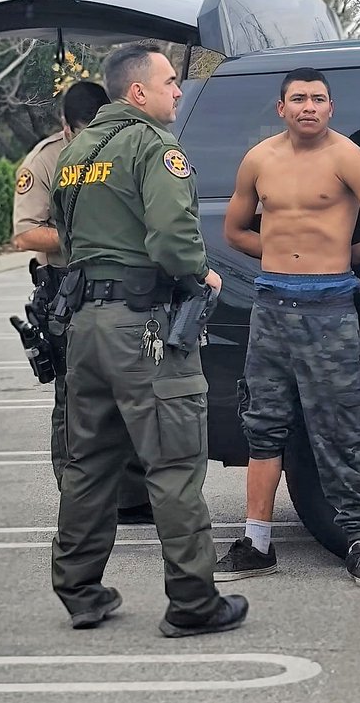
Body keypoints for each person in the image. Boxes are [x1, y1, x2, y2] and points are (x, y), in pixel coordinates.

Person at [48, 43, 248, 636]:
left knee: (89, 462)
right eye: (169, 82)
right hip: (146, 331)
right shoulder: (155, 147)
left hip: (86, 329)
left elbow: (66, 237)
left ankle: (80, 591)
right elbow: (172, 241)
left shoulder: (76, 152)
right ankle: (193, 603)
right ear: (138, 93)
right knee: (174, 464)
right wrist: (200, 273)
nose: (178, 91)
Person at [216, 67, 360, 588]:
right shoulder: (259, 160)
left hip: (329, 312)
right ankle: (256, 543)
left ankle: (359, 542)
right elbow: (234, 231)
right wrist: (280, 252)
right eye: (298, 98)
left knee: (340, 428)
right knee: (263, 425)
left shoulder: (346, 156)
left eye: (318, 99)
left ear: (330, 108)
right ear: (281, 107)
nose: (309, 107)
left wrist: (340, 257)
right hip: (272, 307)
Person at [12, 81, 153, 525]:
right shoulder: (45, 160)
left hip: (119, 285)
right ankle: (76, 495)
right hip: (65, 285)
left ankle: (131, 496)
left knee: (128, 390)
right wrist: (85, 237)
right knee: (74, 396)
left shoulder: (125, 146)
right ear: (65, 126)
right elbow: (26, 233)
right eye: (80, 131)